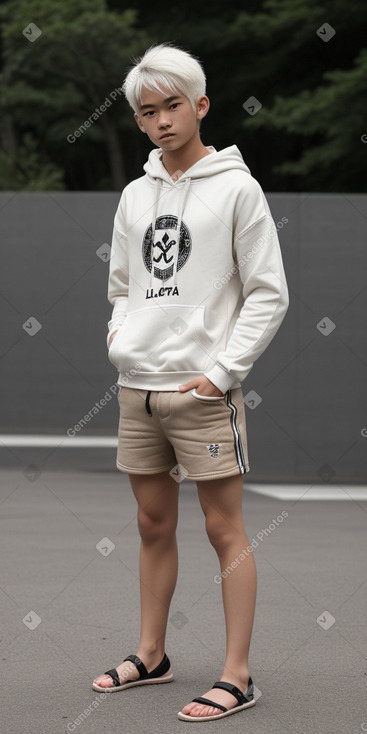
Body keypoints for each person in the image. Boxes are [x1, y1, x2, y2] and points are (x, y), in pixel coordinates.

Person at [92, 42, 289, 722]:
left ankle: (236, 675)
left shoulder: (237, 188)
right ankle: (152, 654)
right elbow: (122, 285)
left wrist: (221, 375)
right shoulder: (134, 196)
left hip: (200, 392)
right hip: (137, 388)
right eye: (147, 112)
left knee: (223, 529)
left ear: (200, 105)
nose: (161, 121)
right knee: (151, 524)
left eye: (173, 105)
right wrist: (121, 340)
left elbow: (268, 293)